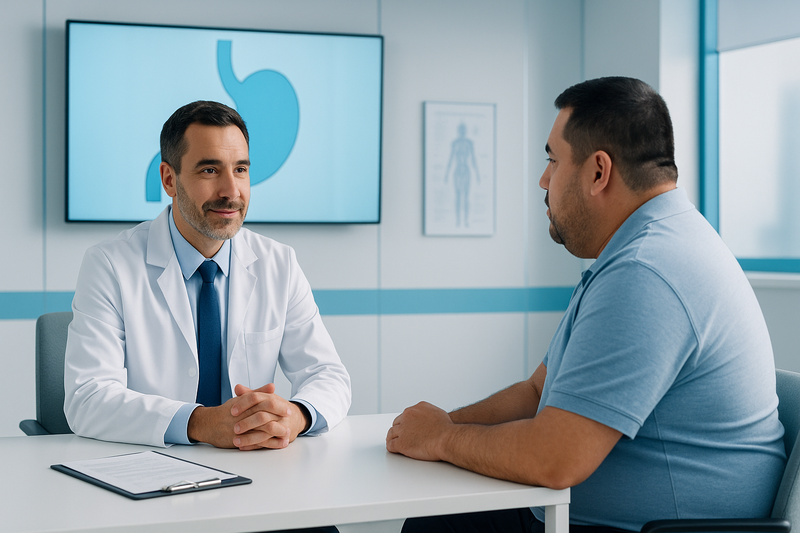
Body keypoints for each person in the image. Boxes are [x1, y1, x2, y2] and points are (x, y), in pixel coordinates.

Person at [386, 77, 786, 533]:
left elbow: (556, 460)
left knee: (434, 526)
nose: (543, 178)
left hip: (657, 529)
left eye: (553, 160)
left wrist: (442, 438)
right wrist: (433, 427)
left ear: (598, 172)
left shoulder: (647, 272)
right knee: (440, 516)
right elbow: (538, 392)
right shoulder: (641, 249)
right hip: (597, 514)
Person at [64, 101, 351, 456]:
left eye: (241, 169)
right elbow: (88, 398)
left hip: (258, 467)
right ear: (170, 179)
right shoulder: (110, 264)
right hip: (152, 467)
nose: (231, 190)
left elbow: (328, 375)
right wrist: (200, 423)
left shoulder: (280, 263)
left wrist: (296, 415)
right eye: (210, 170)